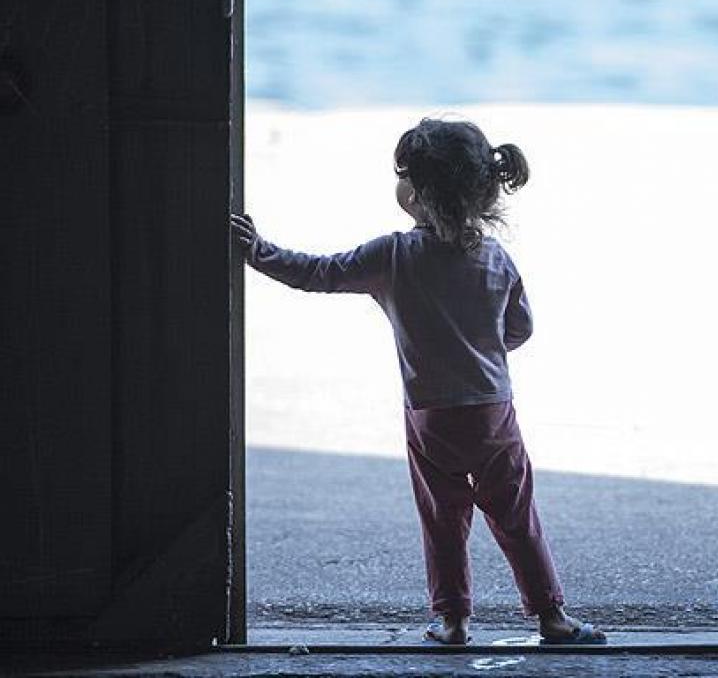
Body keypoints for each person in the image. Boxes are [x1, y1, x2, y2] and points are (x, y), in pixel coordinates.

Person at [229, 117, 606, 646]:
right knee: (517, 516)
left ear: (416, 194)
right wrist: (478, 345)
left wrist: (257, 251)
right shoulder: (497, 259)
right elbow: (518, 331)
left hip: (430, 416)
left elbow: (318, 272)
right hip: (493, 411)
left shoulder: (393, 257)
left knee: (443, 520)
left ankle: (452, 621)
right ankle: (552, 618)